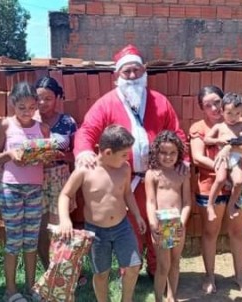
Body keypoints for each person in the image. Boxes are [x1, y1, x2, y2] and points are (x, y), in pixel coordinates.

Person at [73, 44, 187, 278]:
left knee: (158, 225)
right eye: (127, 72)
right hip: (125, 181)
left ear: (144, 71)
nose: (133, 76)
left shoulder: (159, 101)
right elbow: (86, 131)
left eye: (137, 70)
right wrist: (83, 151)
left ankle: (158, 272)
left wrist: (182, 159)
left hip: (157, 178)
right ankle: (130, 273)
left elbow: (177, 133)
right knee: (132, 229)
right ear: (118, 75)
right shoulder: (106, 103)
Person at [59, 125, 147, 302]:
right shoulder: (85, 171)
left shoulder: (124, 168)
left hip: (122, 227)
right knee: (101, 273)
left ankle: (126, 300)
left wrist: (137, 215)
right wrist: (64, 219)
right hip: (96, 232)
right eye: (123, 154)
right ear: (107, 152)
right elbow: (65, 194)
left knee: (133, 266)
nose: (127, 158)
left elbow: (127, 193)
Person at [189, 86, 242, 294]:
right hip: (211, 184)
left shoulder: (241, 121)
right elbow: (198, 157)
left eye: (217, 102)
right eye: (208, 105)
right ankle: (209, 276)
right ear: (202, 108)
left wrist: (229, 148)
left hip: (240, 182)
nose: (214, 108)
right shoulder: (198, 127)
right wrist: (221, 164)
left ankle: (240, 276)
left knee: (238, 232)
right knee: (210, 232)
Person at [0, 82, 51, 302]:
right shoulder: (6, 126)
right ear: (12, 104)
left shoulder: (42, 128)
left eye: (31, 107)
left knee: (31, 241)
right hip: (11, 189)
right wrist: (10, 154)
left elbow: (47, 155)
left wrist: (44, 155)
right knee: (14, 240)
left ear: (36, 105)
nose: (27, 112)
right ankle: (10, 289)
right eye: (21, 107)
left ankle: (30, 287)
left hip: (35, 188)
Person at [33, 76, 78, 270]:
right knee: (41, 228)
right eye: (39, 98)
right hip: (35, 178)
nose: (43, 103)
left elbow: (77, 154)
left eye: (48, 98)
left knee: (60, 226)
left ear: (58, 98)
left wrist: (58, 155)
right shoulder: (28, 120)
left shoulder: (67, 122)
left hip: (60, 177)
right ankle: (48, 269)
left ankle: (63, 270)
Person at [145, 131, 191, 302]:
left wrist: (182, 223)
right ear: (156, 153)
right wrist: (152, 224)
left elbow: (186, 202)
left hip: (178, 225)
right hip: (160, 226)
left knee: (176, 262)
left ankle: (172, 296)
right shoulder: (153, 174)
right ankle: (158, 298)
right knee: (163, 266)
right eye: (163, 152)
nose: (168, 157)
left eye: (172, 153)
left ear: (179, 153)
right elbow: (150, 201)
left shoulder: (182, 173)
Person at [203, 93, 242, 221]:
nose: (234, 117)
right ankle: (210, 205)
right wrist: (218, 140)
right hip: (223, 158)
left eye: (238, 113)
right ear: (222, 111)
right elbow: (206, 139)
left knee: (239, 181)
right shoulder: (219, 127)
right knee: (220, 179)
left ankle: (232, 204)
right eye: (230, 113)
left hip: (237, 158)